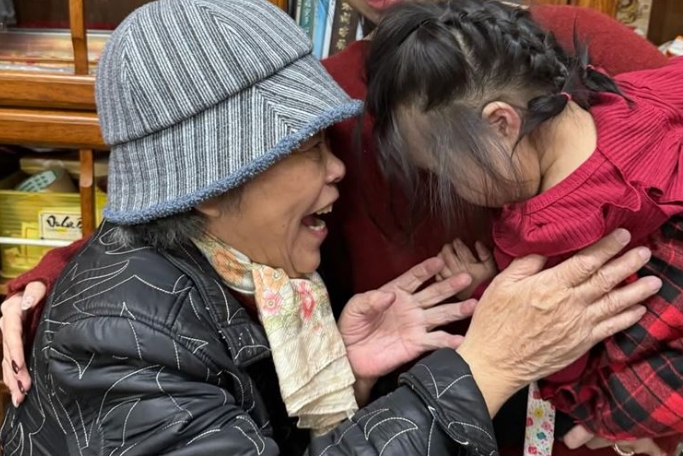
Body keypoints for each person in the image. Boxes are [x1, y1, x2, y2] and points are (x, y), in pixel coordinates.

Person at [0, 0, 670, 455]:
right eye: (312, 147)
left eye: (328, 142)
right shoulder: (139, 323)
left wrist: (344, 376)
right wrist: (483, 368)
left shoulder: (571, 46)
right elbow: (138, 276)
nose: (339, 168)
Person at [364, 0, 683, 453]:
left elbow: (548, 343)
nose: (453, 190)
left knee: (600, 404)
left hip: (654, 375)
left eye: (445, 172)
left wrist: (487, 289)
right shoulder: (630, 97)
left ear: (501, 123)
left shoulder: (544, 232)